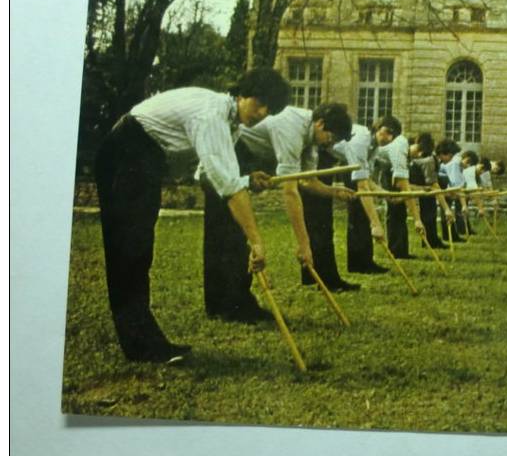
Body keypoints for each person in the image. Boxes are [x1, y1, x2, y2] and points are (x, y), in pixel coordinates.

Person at [94, 68, 290, 363]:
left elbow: (208, 177)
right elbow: (228, 188)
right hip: (126, 153)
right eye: (259, 102)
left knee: (138, 250)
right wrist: (257, 241)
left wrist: (246, 180)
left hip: (142, 158)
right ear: (242, 93)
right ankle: (142, 347)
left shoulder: (227, 120)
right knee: (130, 250)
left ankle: (144, 343)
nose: (262, 113)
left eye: (269, 109)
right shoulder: (210, 116)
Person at [223, 102, 360, 300]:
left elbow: (308, 180)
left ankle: (239, 297)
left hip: (252, 154)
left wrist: (334, 191)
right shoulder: (292, 127)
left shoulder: (311, 138)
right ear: (320, 124)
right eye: (331, 138)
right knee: (234, 226)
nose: (329, 145)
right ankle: (233, 299)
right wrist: (304, 244)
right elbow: (290, 191)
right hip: (236, 146)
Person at [331, 122, 389, 274]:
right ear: (376, 129)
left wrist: (381, 191)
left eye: (392, 135)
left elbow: (367, 177)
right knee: (358, 214)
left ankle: (366, 262)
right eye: (386, 132)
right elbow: (362, 186)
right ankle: (358, 264)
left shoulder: (374, 146)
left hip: (350, 165)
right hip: (331, 157)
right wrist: (376, 224)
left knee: (363, 214)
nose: (388, 138)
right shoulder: (361, 141)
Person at [371, 116, 428, 259]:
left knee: (400, 213)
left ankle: (401, 250)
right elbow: (401, 184)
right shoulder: (399, 145)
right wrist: (417, 219)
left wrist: (416, 190)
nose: (418, 153)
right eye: (417, 149)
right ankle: (396, 250)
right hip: (387, 176)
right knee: (394, 212)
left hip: (390, 174)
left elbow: (404, 183)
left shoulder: (400, 146)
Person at [409, 133, 454, 250]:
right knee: (429, 214)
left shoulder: (425, 158)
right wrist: (446, 209)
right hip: (422, 187)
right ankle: (430, 241)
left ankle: (431, 240)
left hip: (423, 187)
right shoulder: (429, 160)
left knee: (430, 213)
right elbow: (433, 183)